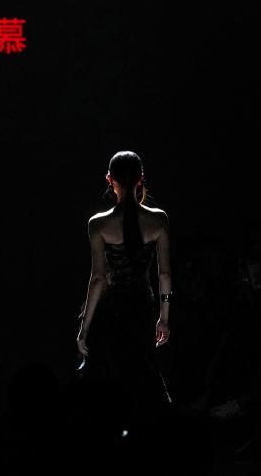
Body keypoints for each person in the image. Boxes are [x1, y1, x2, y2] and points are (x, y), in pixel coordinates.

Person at [76, 150, 173, 432]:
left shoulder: (98, 224)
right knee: (141, 373)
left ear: (110, 180)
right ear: (141, 179)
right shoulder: (159, 220)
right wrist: (164, 317)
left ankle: (112, 437)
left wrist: (84, 326)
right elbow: (164, 274)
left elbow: (98, 279)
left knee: (110, 375)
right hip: (142, 306)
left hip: (111, 309)